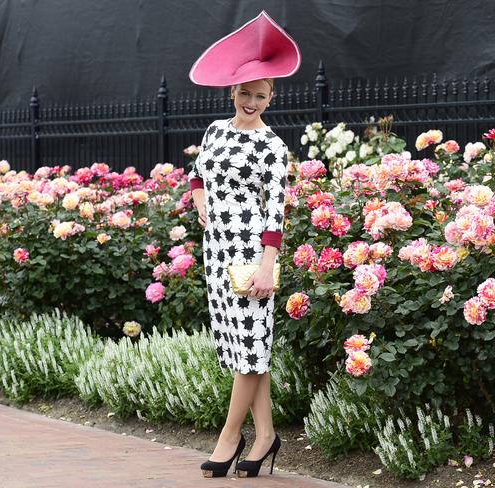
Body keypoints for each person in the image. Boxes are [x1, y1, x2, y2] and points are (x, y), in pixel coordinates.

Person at [186, 10, 301, 479]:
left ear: (270, 99)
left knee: (252, 351)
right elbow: (197, 173)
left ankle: (230, 439)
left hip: (252, 255)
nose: (251, 101)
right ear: (232, 92)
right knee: (241, 349)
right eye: (245, 93)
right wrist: (198, 199)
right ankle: (268, 435)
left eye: (261, 95)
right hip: (217, 252)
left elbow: (275, 210)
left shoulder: (272, 148)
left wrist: (266, 265)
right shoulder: (215, 131)